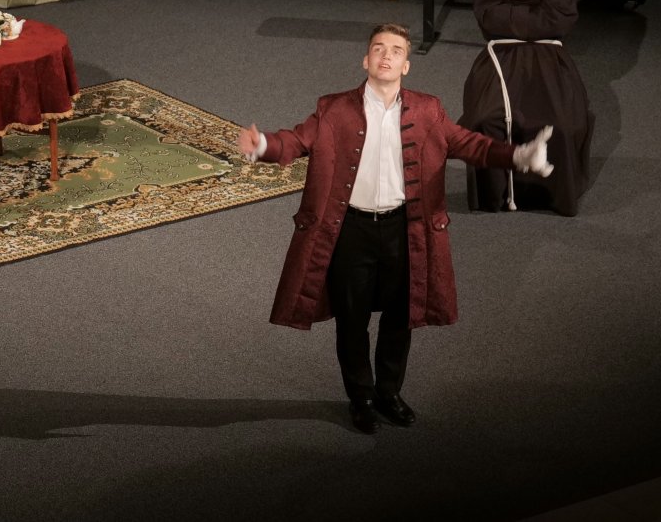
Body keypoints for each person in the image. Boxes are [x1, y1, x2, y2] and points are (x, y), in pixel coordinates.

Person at [236, 23, 552, 434]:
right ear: (365, 60)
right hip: (351, 231)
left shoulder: (428, 110)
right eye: (378, 48)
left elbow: (470, 145)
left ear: (405, 66)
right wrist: (263, 146)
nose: (386, 55)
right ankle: (362, 398)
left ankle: (388, 393)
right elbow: (295, 141)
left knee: (401, 317)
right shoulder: (333, 109)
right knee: (352, 321)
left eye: (396, 50)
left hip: (406, 231)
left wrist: (519, 156)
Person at [459, 0, 594, 216]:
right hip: (502, 54)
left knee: (562, 125)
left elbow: (560, 20)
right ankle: (495, 196)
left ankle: (549, 197)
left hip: (547, 55)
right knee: (483, 120)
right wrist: (535, 16)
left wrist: (510, 14)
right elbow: (488, 20)